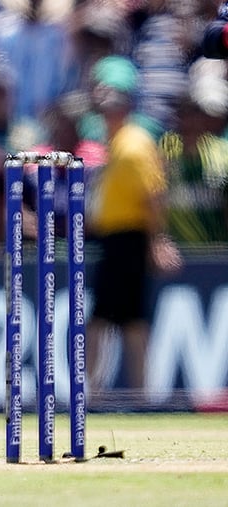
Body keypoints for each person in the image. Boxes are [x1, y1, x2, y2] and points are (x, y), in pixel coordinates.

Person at [85, 55, 181, 401]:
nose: (105, 115)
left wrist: (158, 241)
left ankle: (109, 392)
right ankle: (124, 392)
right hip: (116, 240)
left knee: (115, 320)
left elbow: (154, 195)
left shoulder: (133, 144)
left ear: (125, 109)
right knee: (124, 320)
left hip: (129, 239)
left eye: (112, 108)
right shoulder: (119, 144)